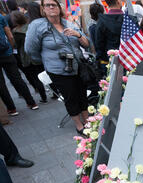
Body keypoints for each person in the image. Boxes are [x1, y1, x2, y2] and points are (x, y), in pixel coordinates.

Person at [25, 0, 90, 135]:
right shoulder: (37, 25)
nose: (51, 7)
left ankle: (88, 120)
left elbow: (87, 44)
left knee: (82, 95)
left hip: (78, 66)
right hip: (59, 70)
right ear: (42, 9)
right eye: (47, 5)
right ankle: (79, 125)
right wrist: (48, 61)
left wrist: (77, 35)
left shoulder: (69, 23)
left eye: (53, 4)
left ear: (59, 7)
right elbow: (31, 50)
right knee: (70, 97)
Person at [0, 10, 38, 116]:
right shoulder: (1, 17)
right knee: (17, 78)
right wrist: (11, 49)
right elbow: (10, 36)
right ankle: (31, 103)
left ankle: (12, 109)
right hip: (7, 53)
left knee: (1, 84)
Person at [11, 10, 47, 103]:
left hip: (25, 56)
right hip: (36, 53)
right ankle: (56, 93)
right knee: (44, 74)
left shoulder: (15, 31)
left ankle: (43, 98)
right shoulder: (31, 27)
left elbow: (15, 45)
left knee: (35, 77)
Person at [95, 0, 124, 76]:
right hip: (127, 60)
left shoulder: (101, 21)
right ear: (118, 2)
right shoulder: (129, 20)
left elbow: (98, 43)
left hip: (107, 61)